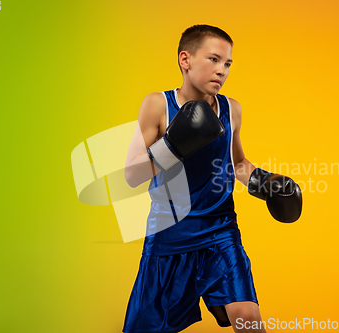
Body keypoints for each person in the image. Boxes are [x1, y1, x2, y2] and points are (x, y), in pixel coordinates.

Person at [123, 24, 302, 333]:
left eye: (228, 63)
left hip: (221, 230)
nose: (222, 70)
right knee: (146, 327)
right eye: (214, 59)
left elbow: (238, 163)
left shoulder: (231, 108)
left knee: (250, 322)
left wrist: (267, 183)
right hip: (170, 234)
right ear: (185, 60)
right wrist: (174, 144)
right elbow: (132, 175)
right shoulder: (158, 104)